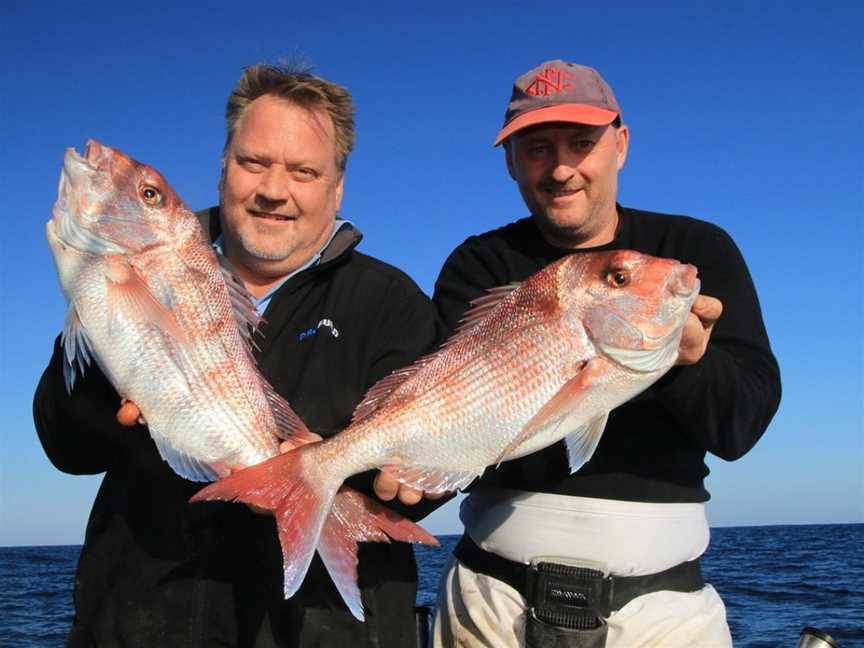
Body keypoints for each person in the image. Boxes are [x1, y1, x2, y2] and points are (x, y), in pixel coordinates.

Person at [34, 63, 440, 647]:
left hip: (315, 630)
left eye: (304, 171)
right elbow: (64, 448)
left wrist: (338, 476)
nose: (274, 190)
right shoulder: (161, 260)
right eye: (254, 162)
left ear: (337, 186)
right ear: (223, 165)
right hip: (137, 622)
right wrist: (109, 381)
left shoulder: (390, 301)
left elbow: (428, 466)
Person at [430, 60, 781, 647]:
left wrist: (684, 360)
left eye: (582, 143)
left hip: (662, 611)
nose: (562, 168)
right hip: (489, 601)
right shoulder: (480, 263)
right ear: (511, 162)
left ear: (620, 145)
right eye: (538, 148)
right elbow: (454, 422)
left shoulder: (694, 249)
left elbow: (741, 426)